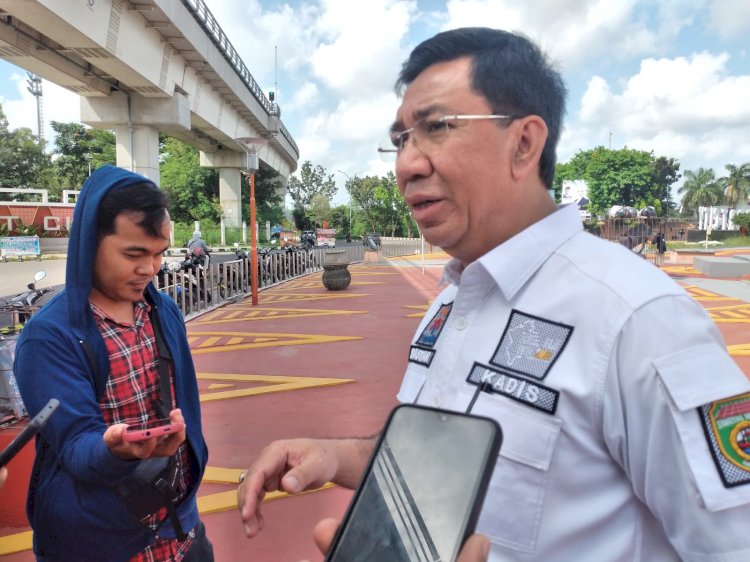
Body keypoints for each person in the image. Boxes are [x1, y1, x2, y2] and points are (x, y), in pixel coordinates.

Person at [237, 27, 750, 561]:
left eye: (435, 128)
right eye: (401, 139)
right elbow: (437, 462)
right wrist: (334, 455)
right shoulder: (453, 299)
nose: (406, 165)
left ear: (524, 143)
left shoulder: (637, 318)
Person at [14, 165, 211, 562]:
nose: (150, 269)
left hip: (179, 528)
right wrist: (115, 450)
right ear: (90, 243)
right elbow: (75, 445)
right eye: (134, 254)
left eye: (158, 254)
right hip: (97, 542)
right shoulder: (49, 336)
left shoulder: (164, 312)